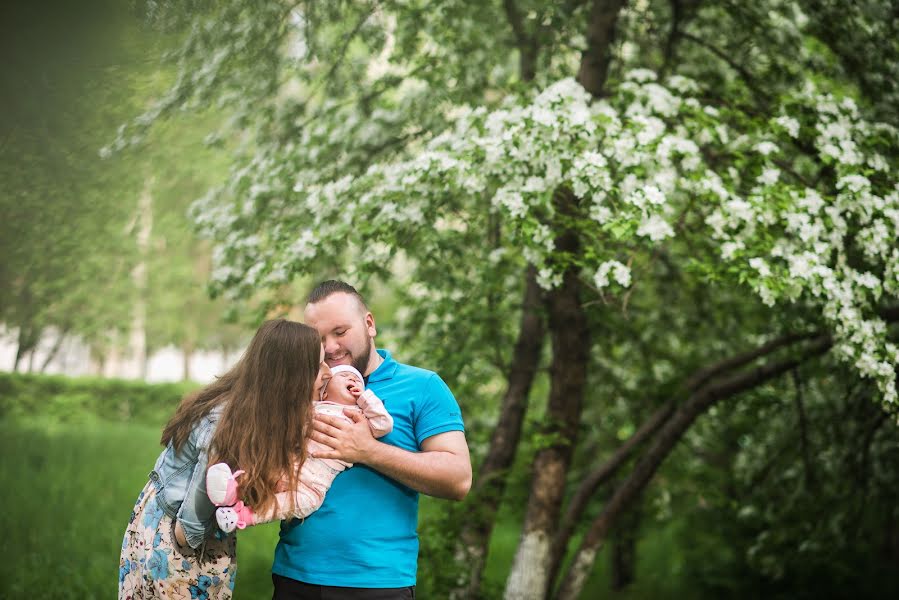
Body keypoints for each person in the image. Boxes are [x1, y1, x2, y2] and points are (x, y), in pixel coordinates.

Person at [271, 280, 473, 599]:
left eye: (340, 332)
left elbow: (458, 479)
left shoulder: (423, 387)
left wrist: (368, 450)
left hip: (378, 583)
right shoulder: (302, 389)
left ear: (369, 324)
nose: (331, 348)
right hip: (295, 575)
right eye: (319, 339)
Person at [118, 319, 330, 599]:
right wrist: (187, 546)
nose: (328, 373)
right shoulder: (228, 423)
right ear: (293, 376)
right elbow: (191, 524)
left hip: (184, 532)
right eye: (319, 365)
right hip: (175, 538)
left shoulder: (258, 414)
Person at [207, 364, 393, 531]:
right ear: (324, 392)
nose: (353, 379)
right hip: (289, 465)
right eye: (344, 376)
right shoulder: (314, 408)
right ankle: (232, 488)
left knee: (303, 503)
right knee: (262, 470)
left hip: (314, 484)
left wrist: (365, 399)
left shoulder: (360, 418)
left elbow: (384, 424)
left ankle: (243, 516)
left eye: (357, 380)